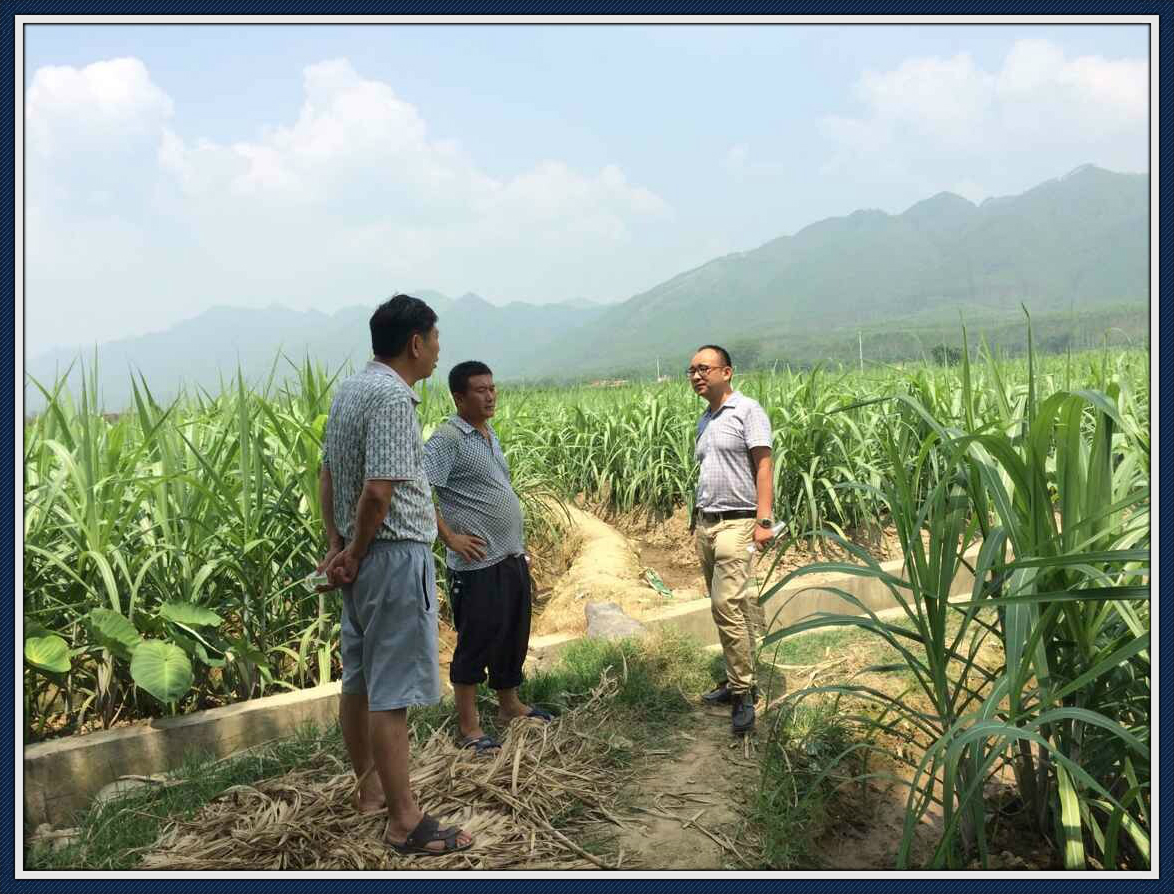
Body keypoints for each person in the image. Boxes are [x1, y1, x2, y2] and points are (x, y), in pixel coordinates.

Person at [317, 294, 473, 856]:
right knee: (391, 693)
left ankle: (370, 793)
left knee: (358, 680)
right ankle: (404, 820)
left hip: (361, 561)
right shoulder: (391, 399)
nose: (437, 352)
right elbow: (379, 491)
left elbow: (329, 473)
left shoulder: (351, 391)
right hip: (390, 556)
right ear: (415, 343)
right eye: (434, 340)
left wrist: (335, 546)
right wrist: (355, 551)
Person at [422, 361, 552, 755]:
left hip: (509, 555)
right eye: (480, 390)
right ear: (459, 397)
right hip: (476, 564)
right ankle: (469, 726)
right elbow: (418, 488)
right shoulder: (448, 439)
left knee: (512, 634)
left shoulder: (487, 433)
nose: (490, 395)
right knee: (476, 641)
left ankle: (509, 705)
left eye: (492, 388)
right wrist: (449, 537)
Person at [687, 344, 775, 735]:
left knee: (727, 604)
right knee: (723, 607)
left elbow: (764, 466)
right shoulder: (706, 419)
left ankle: (743, 693)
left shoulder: (747, 411)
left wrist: (765, 520)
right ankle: (735, 676)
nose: (696, 375)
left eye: (704, 368)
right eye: (691, 370)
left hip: (738, 524)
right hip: (706, 525)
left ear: (727, 372)